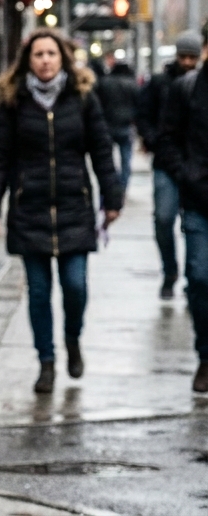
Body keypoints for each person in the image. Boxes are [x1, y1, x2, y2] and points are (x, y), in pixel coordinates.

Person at [0, 29, 123, 394]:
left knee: (75, 286)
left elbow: (102, 150)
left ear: (62, 58)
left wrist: (112, 199)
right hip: (30, 210)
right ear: (28, 60)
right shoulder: (15, 100)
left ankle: (72, 339)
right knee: (40, 293)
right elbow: (0, 158)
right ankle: (46, 362)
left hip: (75, 207)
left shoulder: (82, 97)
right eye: (38, 54)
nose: (45, 60)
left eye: (51, 54)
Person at [151, 39, 208, 393]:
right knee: (200, 277)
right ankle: (205, 355)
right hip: (200, 201)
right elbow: (166, 138)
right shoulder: (187, 88)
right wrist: (186, 174)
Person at [136, 32, 202, 300]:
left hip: (196, 167)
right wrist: (153, 141)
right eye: (183, 56)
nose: (187, 61)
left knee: (194, 225)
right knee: (164, 219)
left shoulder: (200, 84)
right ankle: (170, 270)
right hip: (166, 163)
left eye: (192, 57)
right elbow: (143, 114)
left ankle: (193, 276)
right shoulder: (160, 83)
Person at [95, 60, 139, 194]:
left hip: (107, 126)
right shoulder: (132, 84)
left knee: (107, 160)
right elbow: (139, 105)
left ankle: (109, 188)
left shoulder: (104, 83)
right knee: (126, 161)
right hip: (125, 127)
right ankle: (122, 188)